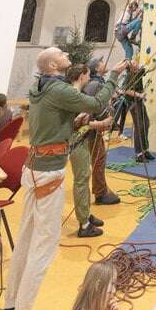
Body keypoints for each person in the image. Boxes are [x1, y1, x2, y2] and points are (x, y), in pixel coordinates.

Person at [2, 47, 131, 310]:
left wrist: (72, 123)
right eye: (59, 53)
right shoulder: (57, 89)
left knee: (25, 240)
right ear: (51, 65)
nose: (65, 53)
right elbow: (96, 104)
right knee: (44, 247)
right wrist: (115, 77)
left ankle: (12, 307)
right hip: (48, 173)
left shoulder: (41, 88)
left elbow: (49, 125)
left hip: (35, 168)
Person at [65, 64, 112, 237]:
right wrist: (98, 124)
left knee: (84, 179)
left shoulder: (75, 94)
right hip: (76, 142)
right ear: (82, 76)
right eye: (88, 75)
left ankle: (85, 215)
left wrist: (87, 121)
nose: (90, 77)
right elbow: (72, 124)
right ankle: (84, 225)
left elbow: (77, 121)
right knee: (81, 181)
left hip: (81, 140)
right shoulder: (73, 95)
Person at [82, 61, 121, 207]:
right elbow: (95, 106)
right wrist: (102, 120)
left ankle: (101, 189)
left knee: (99, 158)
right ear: (97, 68)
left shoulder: (98, 83)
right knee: (98, 159)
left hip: (92, 129)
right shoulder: (94, 85)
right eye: (101, 63)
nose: (105, 64)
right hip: (91, 131)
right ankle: (100, 192)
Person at [110, 62, 153, 162]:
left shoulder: (139, 71)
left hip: (139, 102)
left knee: (146, 123)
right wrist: (139, 94)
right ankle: (139, 153)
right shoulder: (130, 75)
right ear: (132, 68)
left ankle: (145, 150)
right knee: (139, 126)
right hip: (133, 103)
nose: (138, 64)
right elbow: (125, 90)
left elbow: (149, 68)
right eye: (135, 63)